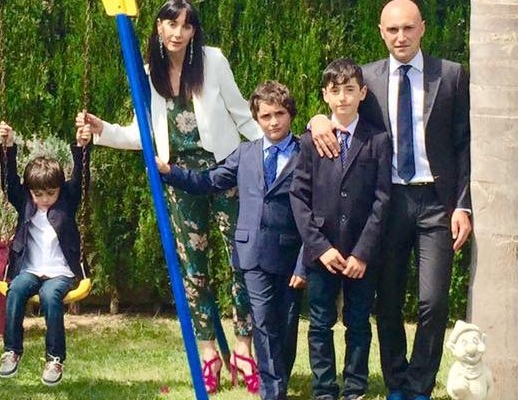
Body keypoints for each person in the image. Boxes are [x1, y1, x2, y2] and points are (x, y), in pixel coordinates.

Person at [74, 0, 262, 393]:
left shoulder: (213, 61)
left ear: (194, 31)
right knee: (193, 267)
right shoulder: (148, 73)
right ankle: (209, 352)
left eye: (186, 26)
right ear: (158, 27)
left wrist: (275, 154)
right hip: (178, 177)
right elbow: (141, 133)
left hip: (224, 171)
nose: (178, 33)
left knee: (242, 259)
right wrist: (102, 130)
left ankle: (244, 346)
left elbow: (243, 115)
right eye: (171, 24)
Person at [308, 1, 472, 398]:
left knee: (433, 300)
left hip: (436, 203)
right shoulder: (368, 78)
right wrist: (316, 120)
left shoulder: (450, 75)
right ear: (381, 32)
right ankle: (397, 382)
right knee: (388, 300)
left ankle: (420, 384)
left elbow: (465, 144)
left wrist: (463, 205)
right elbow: (341, 108)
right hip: (387, 202)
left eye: (408, 28)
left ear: (422, 29)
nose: (401, 37)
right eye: (392, 29)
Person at [157, 81, 306, 400]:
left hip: (290, 254)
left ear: (291, 114)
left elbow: (315, 211)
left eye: (279, 114)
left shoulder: (305, 153)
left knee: (286, 323)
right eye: (265, 116)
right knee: (263, 321)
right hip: (252, 252)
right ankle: (273, 392)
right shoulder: (246, 153)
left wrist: (304, 262)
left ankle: (280, 377)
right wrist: (170, 172)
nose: (273, 122)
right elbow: (208, 180)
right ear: (257, 119)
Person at [293, 58, 392, 400]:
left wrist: (363, 253)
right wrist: (320, 247)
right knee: (320, 323)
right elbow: (299, 196)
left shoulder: (377, 140)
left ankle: (355, 387)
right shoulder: (311, 141)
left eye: (350, 90)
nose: (343, 98)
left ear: (363, 93)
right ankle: (324, 388)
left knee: (359, 322)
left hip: (361, 252)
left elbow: (382, 199)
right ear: (325, 95)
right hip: (323, 251)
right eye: (335, 91)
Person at [0, 121, 92, 387]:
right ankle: (12, 351)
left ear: (60, 189)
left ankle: (54, 358)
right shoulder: (25, 203)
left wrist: (82, 147)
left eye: (51, 193)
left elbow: (81, 179)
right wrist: (7, 147)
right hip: (30, 269)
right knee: (15, 290)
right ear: (29, 192)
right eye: (38, 194)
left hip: (60, 272)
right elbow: (8, 182)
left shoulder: (67, 201)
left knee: (50, 296)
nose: (45, 199)